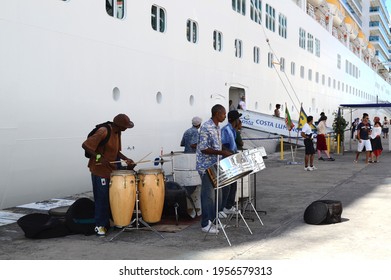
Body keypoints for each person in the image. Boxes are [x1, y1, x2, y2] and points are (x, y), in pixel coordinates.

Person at [82, 114, 136, 237]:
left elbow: (116, 151)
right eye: (125, 126)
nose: (126, 129)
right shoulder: (103, 131)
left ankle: (115, 221)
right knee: (102, 198)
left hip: (111, 169)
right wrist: (99, 157)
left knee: (114, 197)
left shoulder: (118, 133)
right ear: (119, 125)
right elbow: (85, 145)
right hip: (99, 169)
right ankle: (100, 225)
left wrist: (126, 159)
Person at [196, 104, 232, 234]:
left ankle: (214, 221)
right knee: (208, 196)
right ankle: (205, 224)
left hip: (215, 164)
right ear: (217, 113)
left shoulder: (217, 127)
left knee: (218, 194)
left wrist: (226, 151)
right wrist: (222, 153)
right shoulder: (206, 127)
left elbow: (217, 146)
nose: (225, 116)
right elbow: (203, 148)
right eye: (223, 114)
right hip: (205, 166)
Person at [219, 110, 242, 218]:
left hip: (232, 159)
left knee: (233, 184)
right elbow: (221, 145)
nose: (240, 121)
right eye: (238, 119)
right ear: (235, 120)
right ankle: (222, 207)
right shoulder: (225, 130)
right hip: (225, 160)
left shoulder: (233, 130)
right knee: (227, 186)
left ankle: (228, 206)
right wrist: (228, 152)